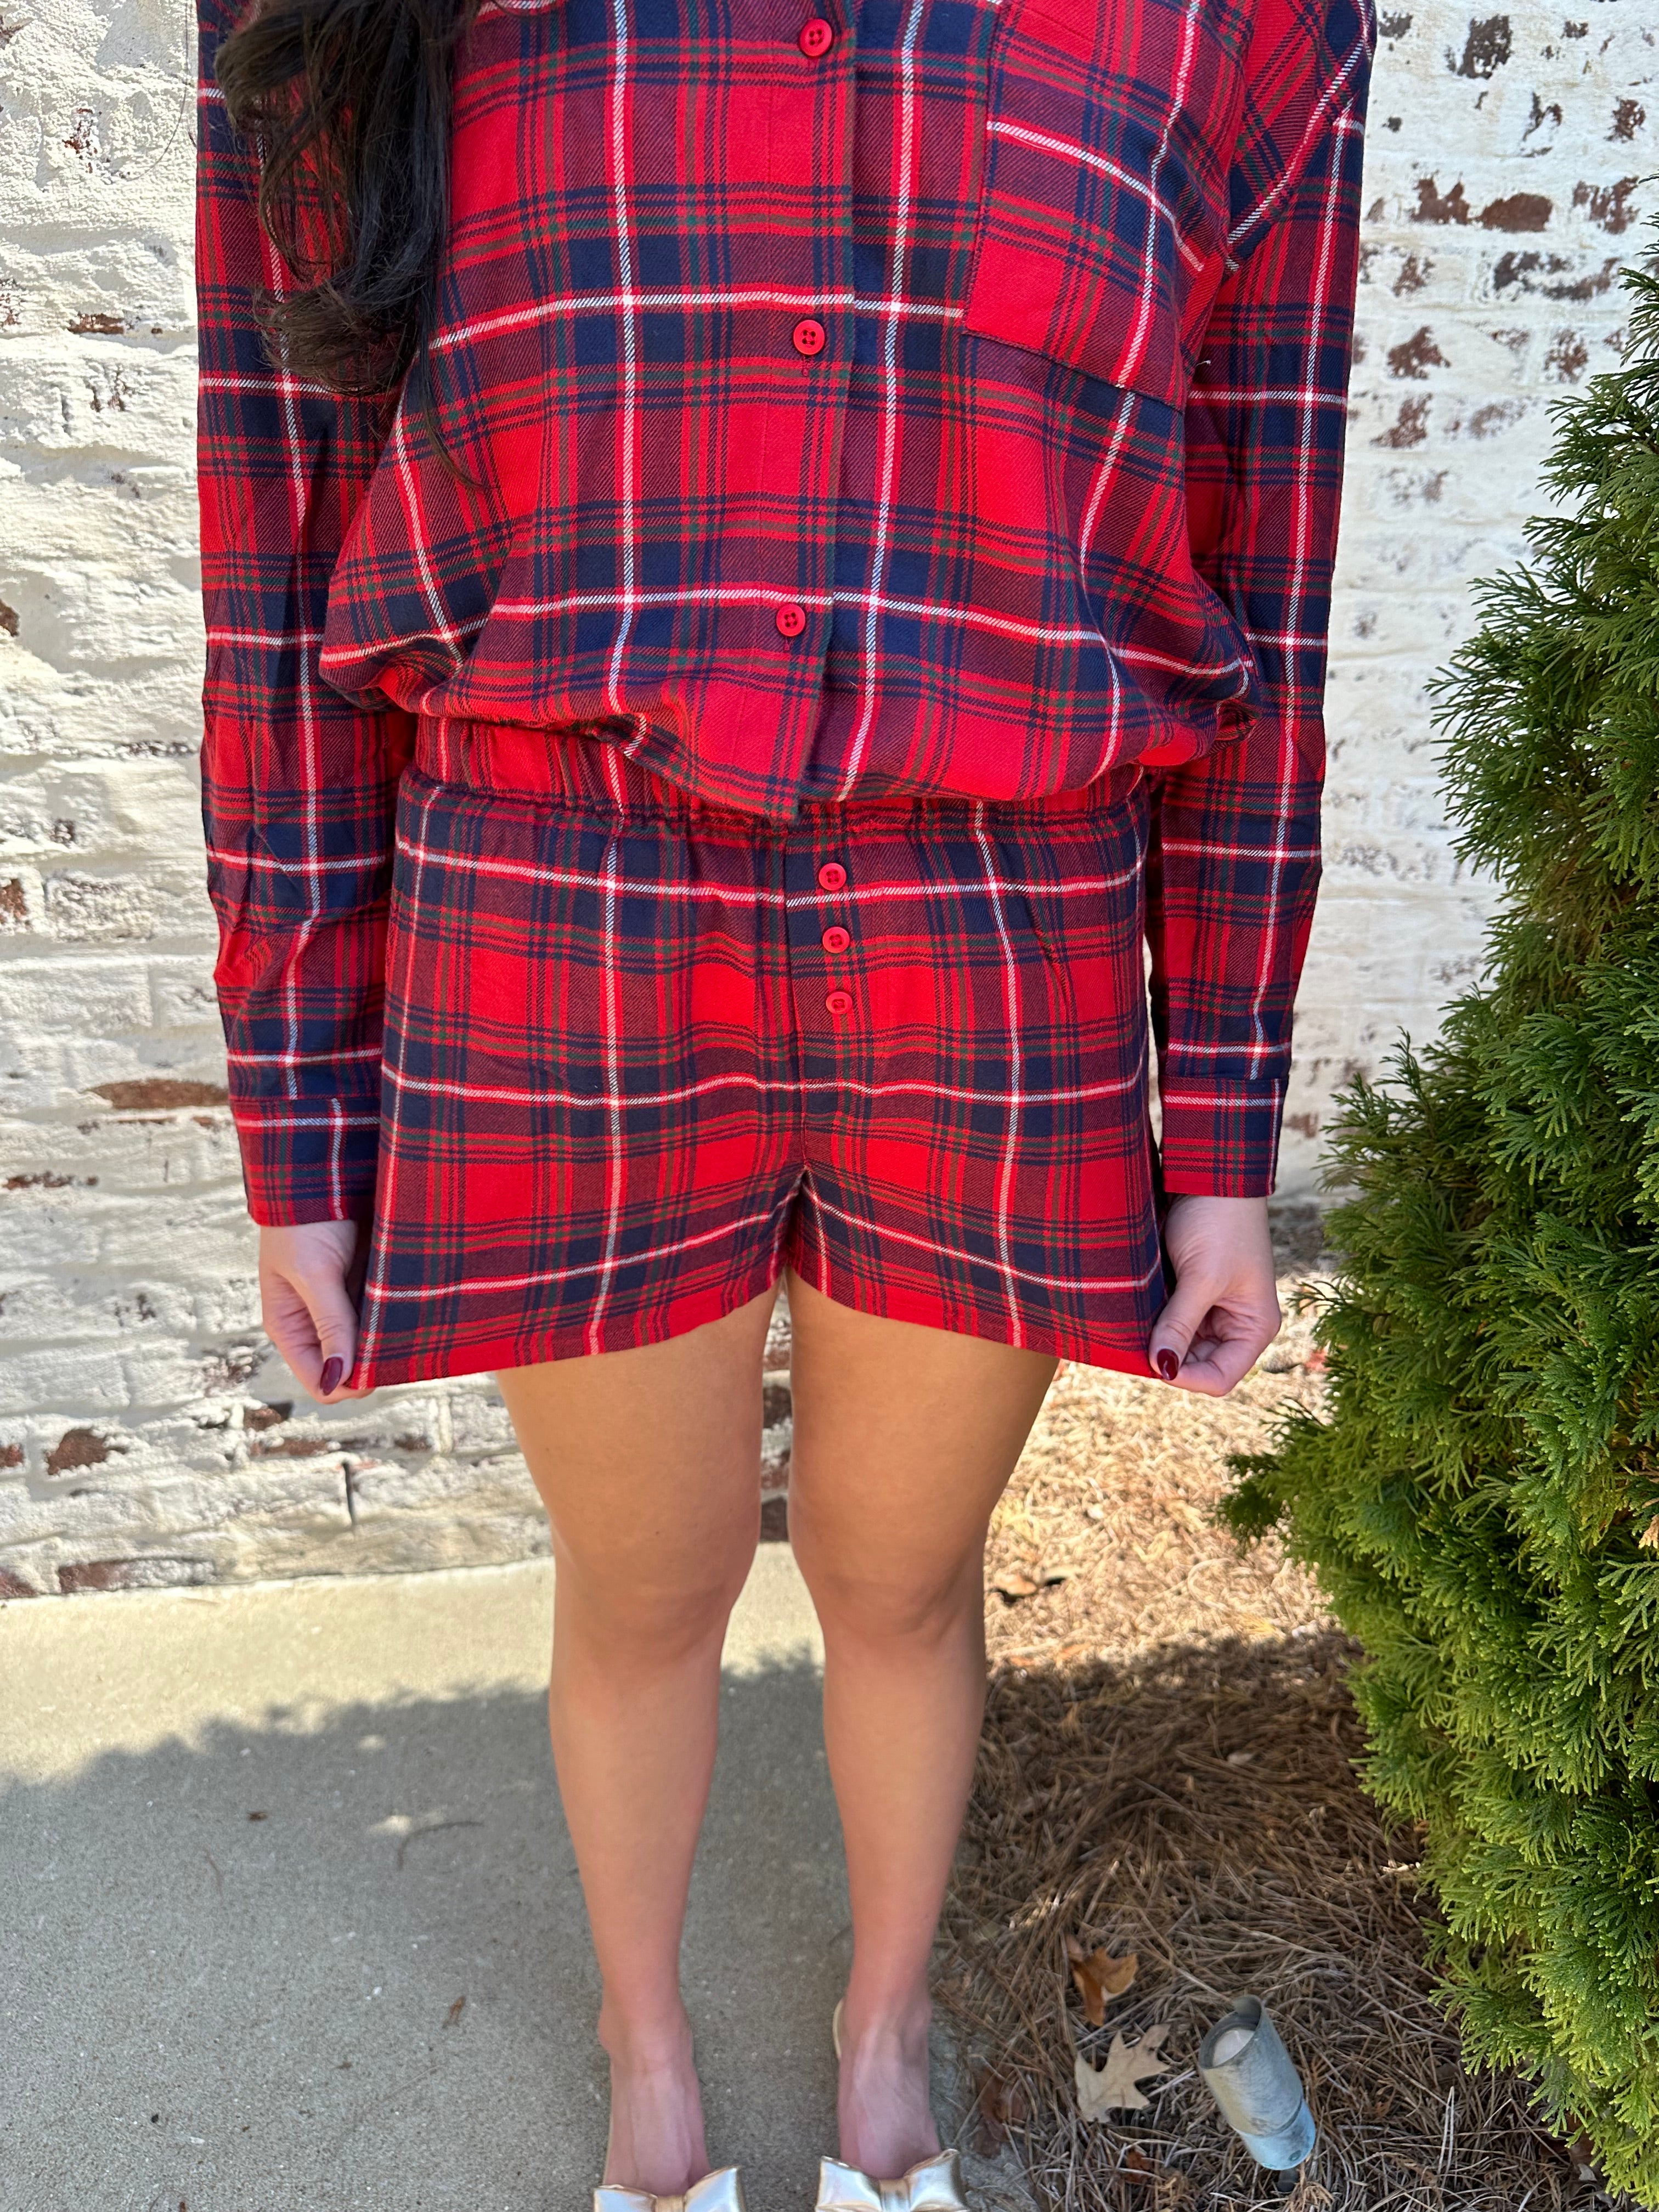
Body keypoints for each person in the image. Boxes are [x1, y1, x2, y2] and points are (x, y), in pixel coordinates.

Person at [194, 0, 1373, 2195]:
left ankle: (882, 2029)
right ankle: (646, 2051)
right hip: (560, 911)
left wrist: (1221, 1129)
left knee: (902, 1580)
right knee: (643, 1586)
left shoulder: (1247, 21)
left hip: (997, 924)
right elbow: (278, 567)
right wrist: (301, 1112)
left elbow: (1261, 594)